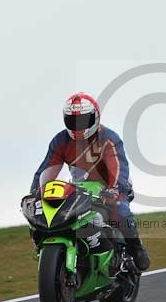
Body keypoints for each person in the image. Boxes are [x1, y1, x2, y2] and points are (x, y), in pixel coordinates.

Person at [29, 92, 151, 270]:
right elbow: (47, 169)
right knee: (47, 213)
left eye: (84, 120)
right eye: (72, 121)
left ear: (96, 117)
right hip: (80, 187)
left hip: (112, 185)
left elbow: (118, 167)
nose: (78, 126)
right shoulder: (60, 141)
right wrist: (35, 193)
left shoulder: (109, 138)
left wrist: (115, 189)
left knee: (121, 211)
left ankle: (136, 248)